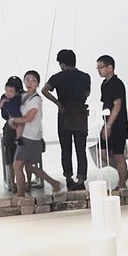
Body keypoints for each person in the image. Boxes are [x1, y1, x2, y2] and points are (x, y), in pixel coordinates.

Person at [42, 49, 91, 191]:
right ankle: (81, 179)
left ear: (62, 63)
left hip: (64, 113)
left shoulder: (57, 77)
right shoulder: (85, 77)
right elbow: (87, 93)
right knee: (81, 149)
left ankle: (68, 178)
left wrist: (58, 103)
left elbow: (45, 90)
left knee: (66, 148)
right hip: (80, 113)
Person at [9, 71, 62, 197]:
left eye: (33, 80)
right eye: (27, 79)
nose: (30, 83)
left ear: (38, 83)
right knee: (29, 166)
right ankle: (54, 183)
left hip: (31, 136)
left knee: (18, 165)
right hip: (25, 135)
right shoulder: (22, 97)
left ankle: (20, 194)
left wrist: (15, 120)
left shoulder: (36, 99)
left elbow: (29, 118)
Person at [96, 55, 128, 190]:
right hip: (108, 122)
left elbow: (117, 105)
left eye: (101, 67)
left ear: (110, 67)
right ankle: (123, 172)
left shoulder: (117, 84)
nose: (99, 70)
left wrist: (109, 125)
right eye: (97, 68)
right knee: (102, 153)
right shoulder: (104, 84)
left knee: (118, 154)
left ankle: (122, 184)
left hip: (118, 124)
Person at [0, 76, 24, 191]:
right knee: (23, 157)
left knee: (10, 157)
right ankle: (24, 183)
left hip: (10, 127)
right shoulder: (24, 96)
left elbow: (3, 115)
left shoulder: (5, 97)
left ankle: (13, 183)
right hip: (22, 127)